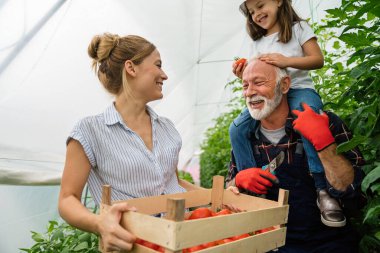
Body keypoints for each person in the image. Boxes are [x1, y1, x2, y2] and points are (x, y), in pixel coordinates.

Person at [58, 33, 199, 252]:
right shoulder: (90, 131)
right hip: (132, 245)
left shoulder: (168, 129)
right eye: (158, 65)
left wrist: (220, 197)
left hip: (180, 242)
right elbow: (67, 199)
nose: (164, 75)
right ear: (131, 68)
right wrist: (99, 223)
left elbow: (172, 183)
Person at [226, 58, 365, 252]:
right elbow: (228, 195)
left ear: (284, 85)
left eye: (258, 83)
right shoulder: (245, 138)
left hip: (332, 243)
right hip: (273, 245)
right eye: (245, 85)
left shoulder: (326, 122)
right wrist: (237, 182)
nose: (249, 92)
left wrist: (324, 144)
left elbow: (356, 192)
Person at [229, 0, 345, 227]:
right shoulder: (257, 41)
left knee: (310, 122)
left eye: (261, 5)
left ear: (280, 1)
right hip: (273, 94)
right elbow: (258, 73)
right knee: (237, 128)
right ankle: (250, 185)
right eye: (252, 12)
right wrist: (243, 71)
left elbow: (317, 59)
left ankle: (323, 189)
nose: (256, 14)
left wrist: (286, 61)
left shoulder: (298, 28)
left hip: (299, 90)